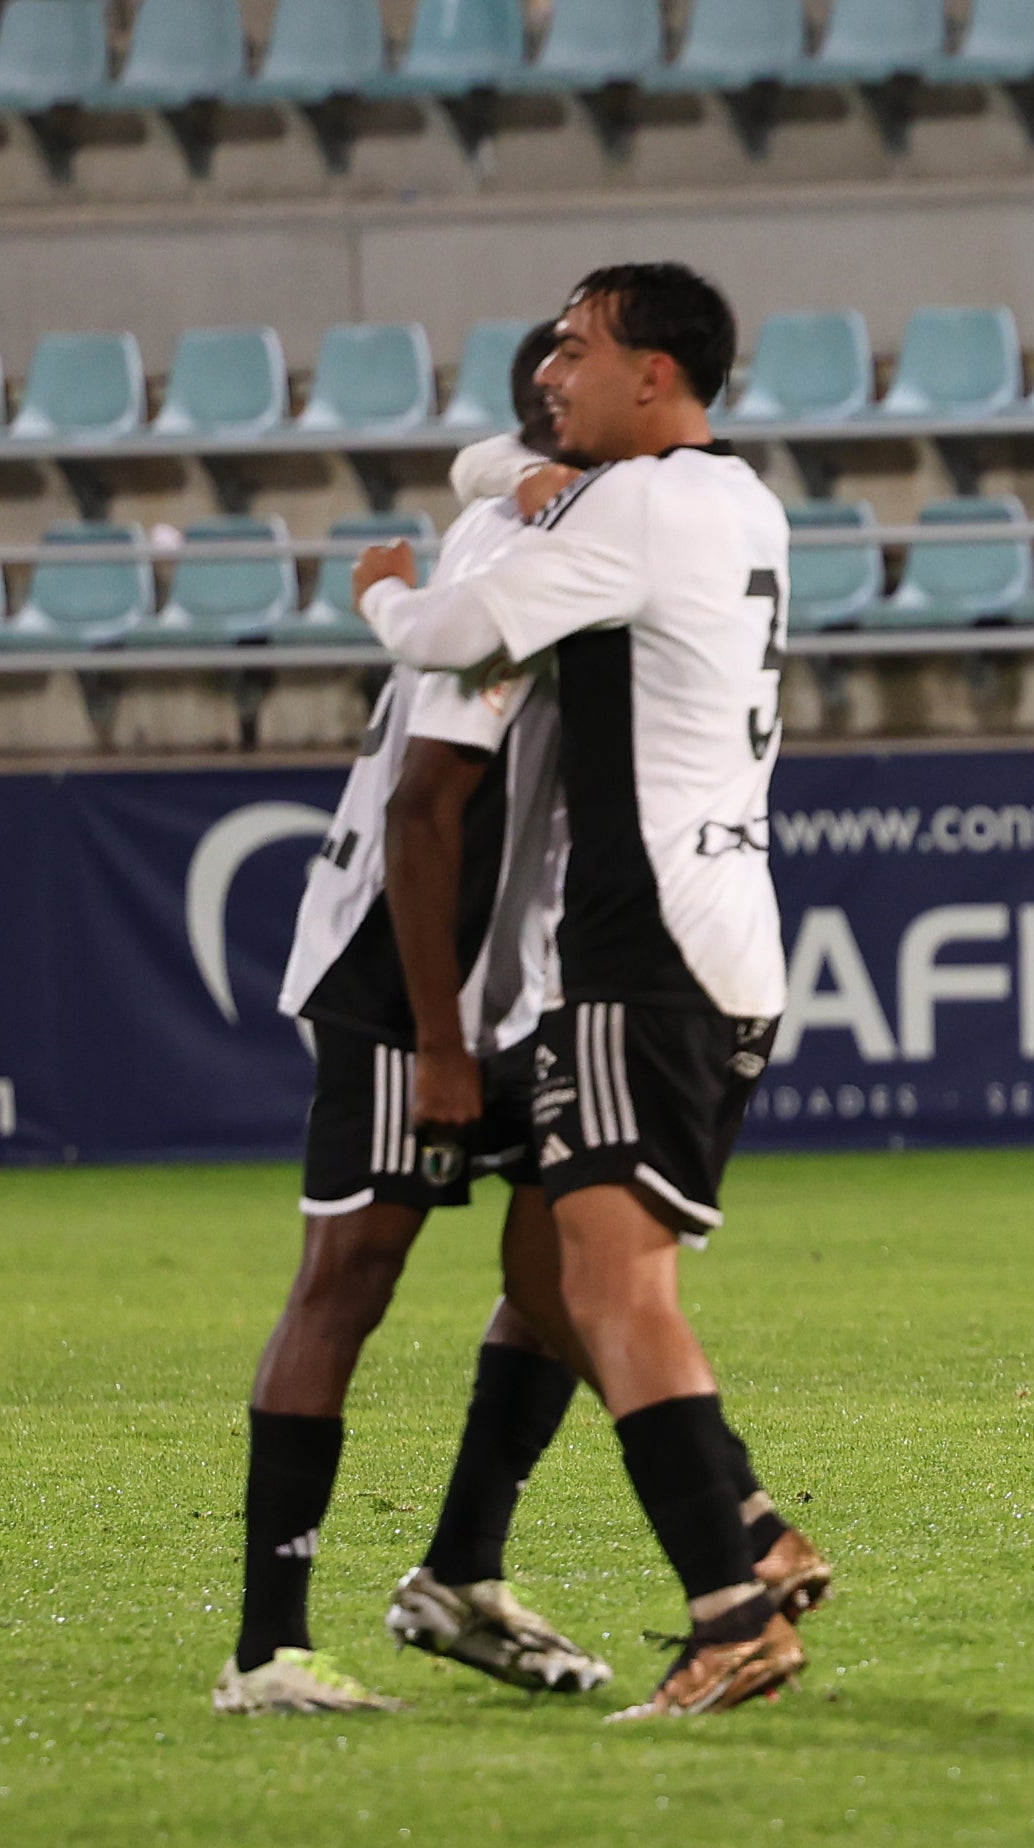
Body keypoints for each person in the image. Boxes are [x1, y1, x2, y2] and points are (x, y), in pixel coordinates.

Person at [353, 262, 817, 1720]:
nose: (549, 369)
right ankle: (693, 1531)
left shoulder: (633, 507)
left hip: (642, 949)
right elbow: (518, 464)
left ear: (656, 376)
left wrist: (376, 590)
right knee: (548, 1281)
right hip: (715, 931)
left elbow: (447, 634)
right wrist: (514, 471)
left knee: (611, 1288)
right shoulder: (735, 499)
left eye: (577, 347)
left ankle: (730, 1605)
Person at [217, 325, 605, 1715]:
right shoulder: (508, 549)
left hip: (523, 979)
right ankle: (266, 1649)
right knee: (348, 1283)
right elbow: (423, 804)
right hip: (408, 977)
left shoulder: (552, 516)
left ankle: (461, 1574)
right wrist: (439, 1041)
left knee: (569, 1267)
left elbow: (498, 461)